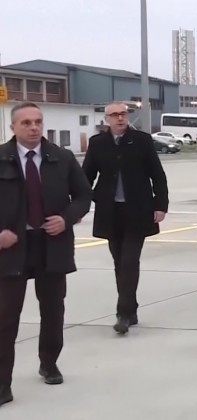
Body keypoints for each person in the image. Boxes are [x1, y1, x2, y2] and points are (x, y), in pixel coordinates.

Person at [0, 102, 93, 407]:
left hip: (51, 244)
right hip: (11, 248)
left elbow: (84, 195)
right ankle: (2, 383)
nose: (33, 127)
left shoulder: (61, 158)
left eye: (38, 121)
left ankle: (49, 363)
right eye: (26, 122)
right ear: (13, 127)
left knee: (53, 310)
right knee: (5, 317)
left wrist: (66, 218)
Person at [82, 101, 169, 335]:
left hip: (138, 211)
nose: (120, 118)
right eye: (115, 115)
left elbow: (157, 175)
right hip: (110, 212)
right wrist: (83, 203)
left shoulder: (141, 140)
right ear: (106, 119)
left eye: (123, 114)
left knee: (129, 261)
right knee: (119, 262)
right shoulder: (97, 143)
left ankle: (123, 313)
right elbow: (86, 176)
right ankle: (131, 308)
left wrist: (160, 205)